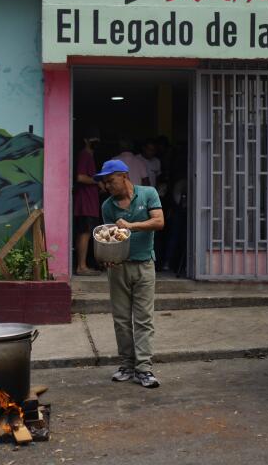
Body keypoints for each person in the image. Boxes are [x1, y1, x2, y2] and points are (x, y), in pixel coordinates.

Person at [95, 159, 164, 388]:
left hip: (144, 265)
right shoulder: (107, 206)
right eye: (105, 183)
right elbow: (110, 237)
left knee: (144, 319)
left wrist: (131, 226)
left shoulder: (147, 194)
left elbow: (159, 222)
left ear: (124, 176)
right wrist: (107, 256)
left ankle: (144, 369)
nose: (107, 186)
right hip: (119, 268)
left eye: (110, 181)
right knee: (122, 320)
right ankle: (126, 365)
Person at [73, 129, 103, 276]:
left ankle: (81, 265)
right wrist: (97, 182)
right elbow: (80, 177)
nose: (96, 141)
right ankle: (82, 266)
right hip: (85, 202)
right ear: (85, 140)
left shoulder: (89, 156)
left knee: (83, 233)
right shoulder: (85, 155)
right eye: (93, 139)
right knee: (85, 233)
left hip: (87, 202)